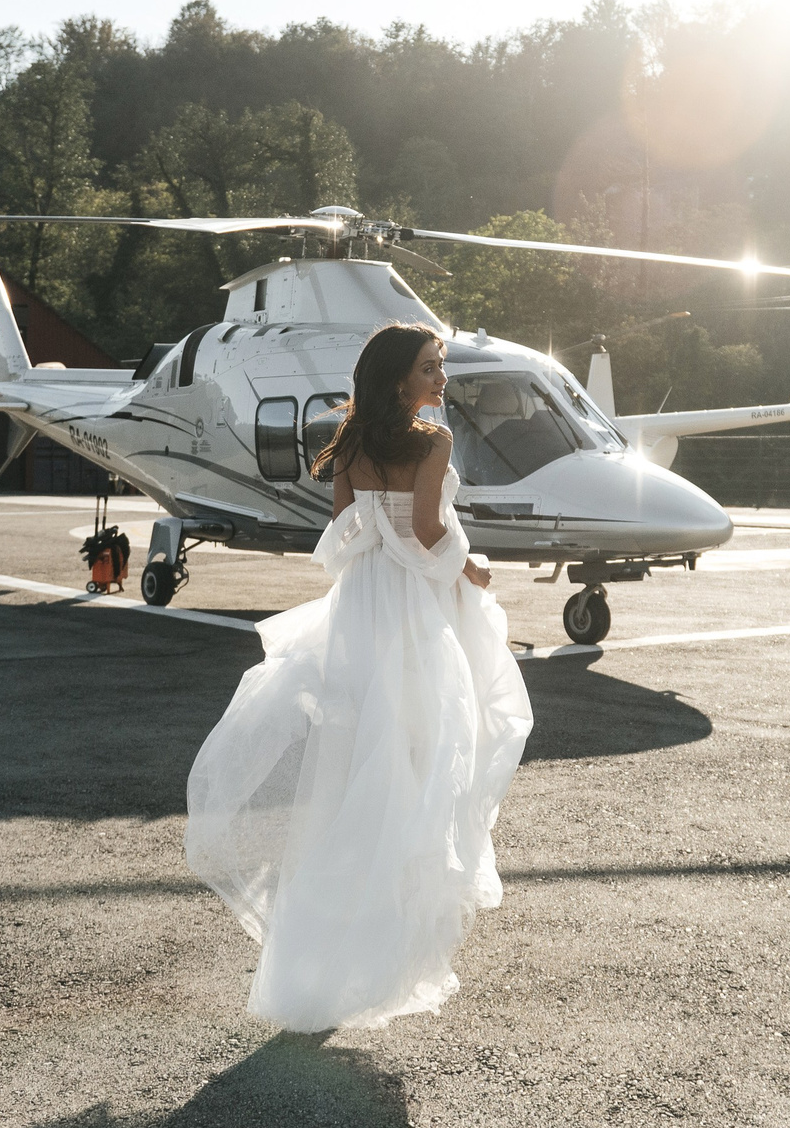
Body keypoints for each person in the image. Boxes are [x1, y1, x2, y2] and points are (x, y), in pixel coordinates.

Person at [184, 321, 534, 1031]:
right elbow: (429, 530)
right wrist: (470, 567)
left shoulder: (349, 442)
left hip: (363, 598)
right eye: (430, 368)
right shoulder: (433, 442)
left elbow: (345, 527)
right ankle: (387, 924)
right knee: (424, 746)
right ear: (398, 379)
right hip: (412, 602)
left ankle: (319, 955)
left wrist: (379, 532)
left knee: (356, 753)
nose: (441, 379)